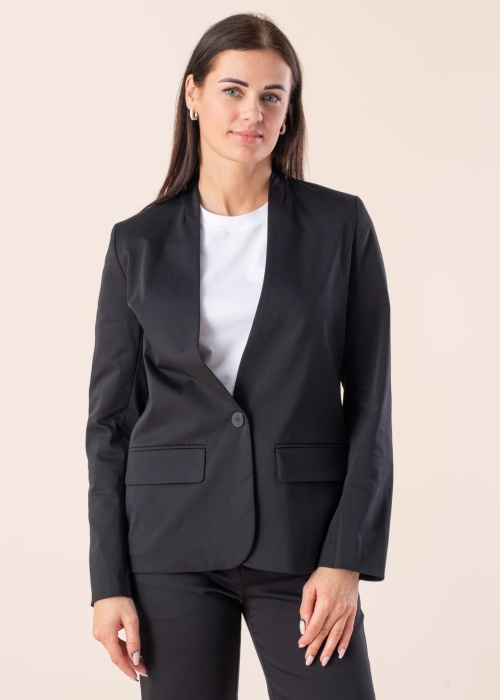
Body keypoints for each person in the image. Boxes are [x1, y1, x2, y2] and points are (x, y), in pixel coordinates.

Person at [86, 12, 393, 700]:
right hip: (169, 548)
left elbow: (371, 404)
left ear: (288, 111)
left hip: (303, 545)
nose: (252, 112)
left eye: (271, 96)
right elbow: (109, 425)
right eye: (233, 90)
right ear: (193, 94)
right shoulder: (137, 243)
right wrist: (108, 582)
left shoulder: (340, 227)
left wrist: (346, 557)